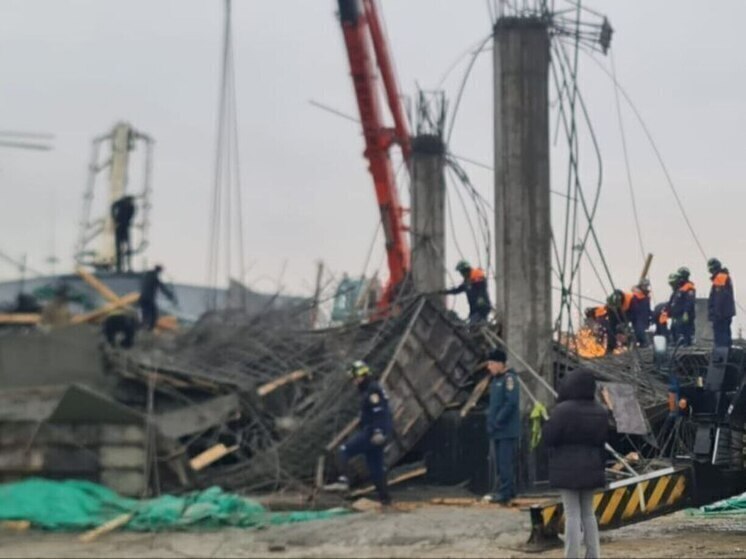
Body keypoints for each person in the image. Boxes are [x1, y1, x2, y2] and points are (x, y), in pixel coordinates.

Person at [543, 368, 609, 559]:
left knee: (572, 513)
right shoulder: (600, 411)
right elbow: (603, 439)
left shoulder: (562, 410)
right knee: (588, 512)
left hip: (566, 468)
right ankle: (593, 554)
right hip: (592, 466)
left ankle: (572, 555)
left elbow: (550, 438)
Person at [325, 360, 393, 505]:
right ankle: (385, 500)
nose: (354, 382)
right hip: (376, 433)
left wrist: (378, 431)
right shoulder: (371, 388)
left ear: (362, 376)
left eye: (355, 378)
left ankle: (344, 480)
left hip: (372, 433)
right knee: (375, 467)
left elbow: (379, 412)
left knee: (344, 451)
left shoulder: (372, 390)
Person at [484, 348, 520, 504]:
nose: (489, 367)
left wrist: (497, 421)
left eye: (491, 364)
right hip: (497, 430)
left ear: (500, 364)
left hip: (506, 430)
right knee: (500, 463)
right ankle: (507, 490)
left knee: (505, 462)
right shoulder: (495, 381)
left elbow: (510, 403)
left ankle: (505, 492)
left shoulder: (509, 379)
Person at [442, 260, 491, 325]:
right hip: (474, 309)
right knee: (474, 325)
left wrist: (480, 298)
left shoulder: (476, 275)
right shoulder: (467, 282)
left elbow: (482, 286)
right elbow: (457, 290)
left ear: (466, 270)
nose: (461, 274)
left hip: (481, 307)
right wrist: (445, 292)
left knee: (475, 324)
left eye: (462, 272)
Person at [707, 258, 736, 348]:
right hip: (725, 313)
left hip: (721, 314)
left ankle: (721, 354)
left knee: (721, 339)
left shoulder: (720, 277)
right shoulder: (723, 276)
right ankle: (727, 352)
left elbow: (719, 298)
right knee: (726, 336)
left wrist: (717, 314)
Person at [139, 265, 176, 331]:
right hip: (149, 299)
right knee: (154, 315)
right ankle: (149, 329)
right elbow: (162, 288)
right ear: (158, 271)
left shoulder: (147, 275)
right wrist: (170, 296)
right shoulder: (155, 278)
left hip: (142, 298)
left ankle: (143, 327)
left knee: (145, 314)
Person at [670, 268, 696, 346]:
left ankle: (686, 343)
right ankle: (677, 342)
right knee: (676, 328)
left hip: (685, 313)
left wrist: (686, 312)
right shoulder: (680, 288)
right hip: (678, 313)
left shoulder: (689, 287)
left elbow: (689, 301)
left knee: (686, 328)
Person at [111, 195, 136, 273]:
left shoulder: (131, 206)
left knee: (127, 248)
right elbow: (113, 206)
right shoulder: (121, 203)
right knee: (120, 248)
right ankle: (120, 267)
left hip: (124, 227)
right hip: (120, 227)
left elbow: (132, 215)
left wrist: (128, 221)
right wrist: (114, 218)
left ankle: (127, 266)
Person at [629, 280, 652, 347]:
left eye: (647, 286)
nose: (646, 287)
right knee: (639, 330)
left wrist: (650, 316)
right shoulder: (636, 296)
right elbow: (635, 309)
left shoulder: (646, 297)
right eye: (645, 286)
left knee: (640, 330)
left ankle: (642, 343)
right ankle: (643, 343)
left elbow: (647, 308)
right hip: (638, 317)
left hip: (643, 317)